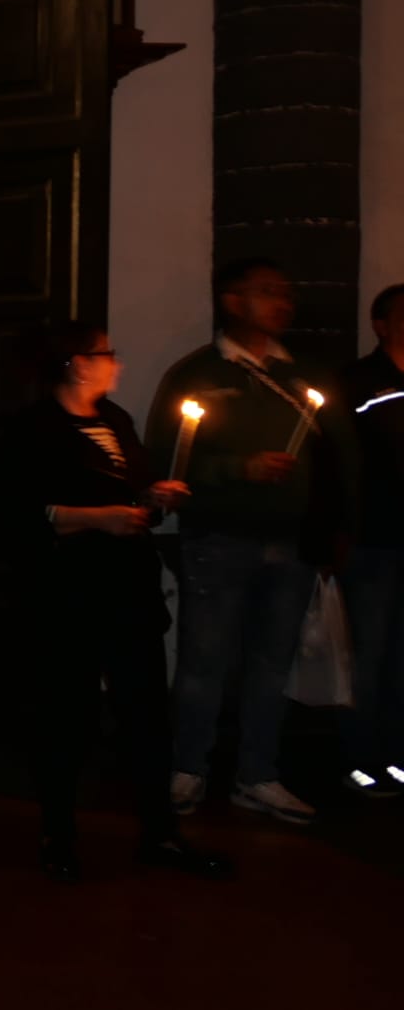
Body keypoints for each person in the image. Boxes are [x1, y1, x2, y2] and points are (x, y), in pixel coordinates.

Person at [0, 323, 232, 882]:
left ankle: (160, 833)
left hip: (127, 591)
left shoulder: (116, 420)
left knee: (147, 714)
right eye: (106, 354)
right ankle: (58, 834)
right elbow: (20, 512)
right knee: (66, 715)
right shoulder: (35, 429)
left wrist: (153, 497)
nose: (116, 363)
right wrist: (94, 519)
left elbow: (133, 493)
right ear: (76, 363)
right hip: (67, 594)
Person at [146, 258, 322, 825]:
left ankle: (258, 774)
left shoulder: (300, 377)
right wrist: (239, 469)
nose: (282, 302)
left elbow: (333, 456)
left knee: (272, 664)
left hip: (289, 543)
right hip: (219, 539)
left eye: (286, 292)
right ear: (232, 300)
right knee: (204, 661)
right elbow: (170, 461)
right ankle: (187, 769)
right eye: (267, 291)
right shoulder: (199, 374)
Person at [336, 284, 404, 798]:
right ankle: (361, 761)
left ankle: (398, 758)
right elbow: (348, 462)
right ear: (380, 324)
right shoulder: (361, 382)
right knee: (369, 653)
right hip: (375, 539)